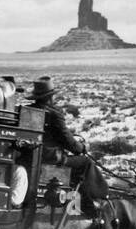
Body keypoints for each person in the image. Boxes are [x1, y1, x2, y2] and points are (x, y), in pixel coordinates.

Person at [29, 76, 103, 205]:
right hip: (50, 157)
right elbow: (67, 141)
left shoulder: (28, 110)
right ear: (50, 97)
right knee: (86, 162)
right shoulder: (54, 114)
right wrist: (81, 147)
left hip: (30, 156)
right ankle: (93, 202)